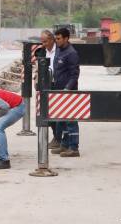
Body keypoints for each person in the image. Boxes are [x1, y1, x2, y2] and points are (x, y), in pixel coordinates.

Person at [52, 26, 81, 157]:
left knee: (71, 120)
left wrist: (66, 89)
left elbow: (74, 75)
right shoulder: (59, 50)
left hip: (68, 92)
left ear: (66, 38)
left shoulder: (71, 53)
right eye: (55, 38)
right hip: (59, 91)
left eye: (58, 39)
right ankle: (64, 145)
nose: (56, 41)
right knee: (62, 120)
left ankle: (74, 148)